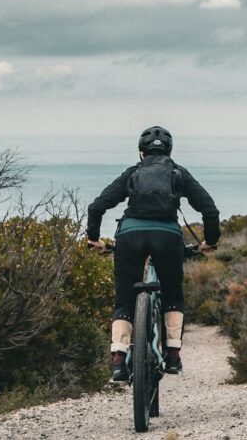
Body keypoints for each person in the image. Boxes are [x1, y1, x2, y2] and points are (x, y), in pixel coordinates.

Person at [86, 126, 220, 382]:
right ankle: (172, 355)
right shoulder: (179, 173)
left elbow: (97, 206)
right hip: (167, 238)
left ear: (141, 153)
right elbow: (210, 211)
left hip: (130, 237)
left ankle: (118, 360)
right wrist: (209, 242)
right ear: (170, 151)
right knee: (172, 295)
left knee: (124, 300)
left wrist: (94, 239)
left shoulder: (133, 173)